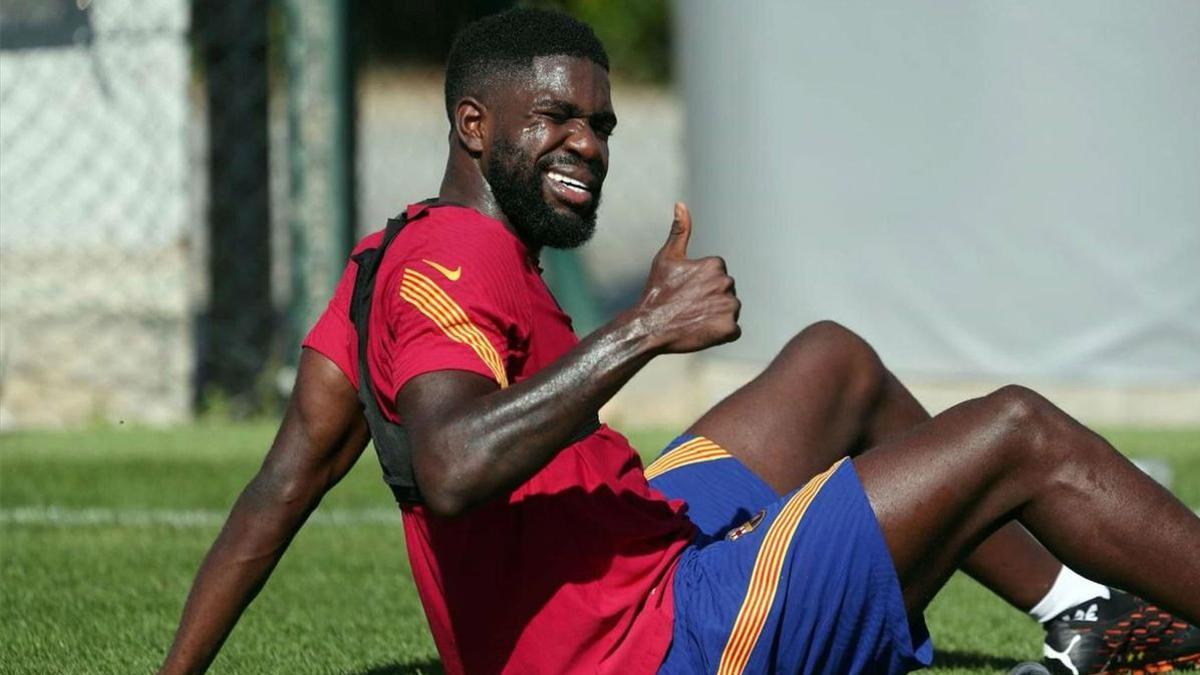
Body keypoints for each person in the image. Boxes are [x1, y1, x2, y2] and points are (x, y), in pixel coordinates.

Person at [160, 9, 1200, 675]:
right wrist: (645, 329)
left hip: (632, 560)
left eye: (603, 125)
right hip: (655, 646)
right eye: (557, 118)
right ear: (474, 125)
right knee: (1016, 428)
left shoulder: (387, 251)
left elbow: (281, 485)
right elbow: (453, 464)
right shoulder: (458, 263)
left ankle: (1080, 612)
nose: (589, 146)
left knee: (830, 362)